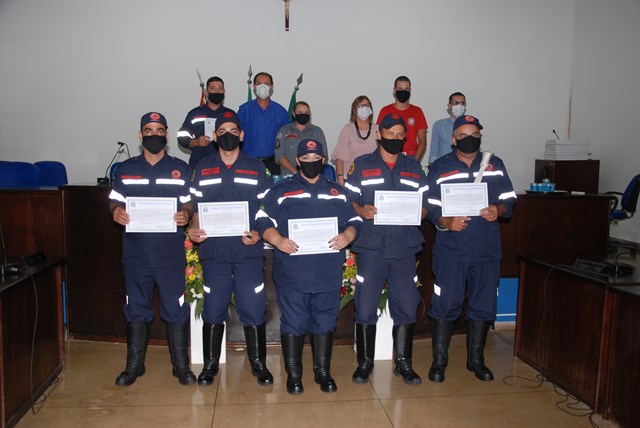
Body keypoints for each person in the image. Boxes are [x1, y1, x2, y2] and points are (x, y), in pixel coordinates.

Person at [256, 139, 361, 395]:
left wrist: (348, 235)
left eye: (316, 159)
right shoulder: (281, 190)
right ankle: (294, 374)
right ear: (298, 160)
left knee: (325, 321)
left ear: (323, 160)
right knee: (294, 321)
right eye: (306, 159)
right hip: (293, 270)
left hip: (327, 269)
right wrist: (277, 240)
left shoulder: (338, 191)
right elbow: (261, 219)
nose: (311, 163)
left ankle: (322, 371)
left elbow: (355, 219)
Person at [425, 115, 516, 383]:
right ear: (453, 139)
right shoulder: (440, 166)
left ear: (481, 136)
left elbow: (509, 197)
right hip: (451, 250)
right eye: (463, 135)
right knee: (445, 304)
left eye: (474, 135)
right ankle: (439, 361)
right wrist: (445, 220)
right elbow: (429, 203)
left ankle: (476, 360)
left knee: (483, 305)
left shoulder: (495, 164)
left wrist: (498, 209)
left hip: (485, 249)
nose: (469, 139)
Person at [109, 112, 196, 386]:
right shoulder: (125, 169)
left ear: (167, 135)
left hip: (170, 255)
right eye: (149, 130)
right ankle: (134, 365)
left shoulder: (180, 169)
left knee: (175, 309)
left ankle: (180, 365)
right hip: (137, 254)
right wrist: (116, 211)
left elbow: (189, 203)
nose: (154, 135)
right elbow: (114, 200)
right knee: (136, 308)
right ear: (140, 135)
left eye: (159, 130)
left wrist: (185, 214)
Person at [188, 111, 274, 387]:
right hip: (214, 252)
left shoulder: (256, 168)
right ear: (214, 136)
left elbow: (266, 209)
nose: (228, 135)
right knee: (213, 308)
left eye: (233, 130)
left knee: (254, 308)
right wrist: (194, 228)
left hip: (248, 251)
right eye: (222, 131)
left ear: (241, 135)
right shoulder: (202, 168)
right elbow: (196, 208)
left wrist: (258, 232)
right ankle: (210, 365)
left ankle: (258, 363)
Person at [344, 113, 429, 386]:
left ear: (405, 137)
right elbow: (348, 200)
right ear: (379, 135)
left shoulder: (413, 167)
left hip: (404, 247)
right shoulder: (361, 165)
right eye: (389, 133)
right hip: (372, 246)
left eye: (399, 134)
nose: (394, 138)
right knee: (365, 305)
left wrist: (416, 214)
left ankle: (403, 363)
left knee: (406, 304)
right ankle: (365, 363)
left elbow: (427, 204)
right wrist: (362, 210)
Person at [238, 72, 291, 176]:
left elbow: (288, 139)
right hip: (248, 163)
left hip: (273, 163)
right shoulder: (244, 110)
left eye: (266, 84)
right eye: (259, 84)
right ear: (254, 86)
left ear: (272, 86)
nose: (263, 87)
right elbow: (236, 135)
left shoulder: (281, 112)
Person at [177, 76, 236, 168]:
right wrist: (196, 142)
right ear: (206, 92)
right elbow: (182, 136)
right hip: (199, 164)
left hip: (226, 166)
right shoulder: (195, 114)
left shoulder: (231, 114)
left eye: (220, 89)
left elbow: (239, 138)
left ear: (224, 92)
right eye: (213, 88)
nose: (217, 92)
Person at [376, 76, 428, 161]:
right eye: (400, 89)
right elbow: (380, 138)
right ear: (394, 90)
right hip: (389, 158)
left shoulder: (417, 111)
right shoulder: (385, 111)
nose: (403, 92)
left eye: (406, 89)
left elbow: (423, 142)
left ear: (410, 90)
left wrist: (414, 162)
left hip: (411, 157)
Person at [331, 95, 379, 186]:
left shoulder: (377, 129)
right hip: (350, 178)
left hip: (372, 178)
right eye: (361, 106)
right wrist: (340, 179)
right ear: (354, 109)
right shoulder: (347, 129)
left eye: (367, 105)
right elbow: (340, 158)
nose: (364, 108)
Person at [275, 101, 327, 175]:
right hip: (289, 176)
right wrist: (296, 172)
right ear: (294, 114)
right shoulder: (284, 131)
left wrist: (310, 172)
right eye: (300, 112)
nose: (303, 115)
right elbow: (279, 156)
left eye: (306, 113)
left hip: (313, 176)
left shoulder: (317, 131)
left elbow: (324, 156)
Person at [428, 92, 467, 164]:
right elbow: (434, 152)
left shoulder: (470, 125)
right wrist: (433, 165)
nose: (459, 106)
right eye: (455, 103)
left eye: (462, 103)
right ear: (449, 106)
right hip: (444, 165)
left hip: (464, 165)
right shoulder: (439, 125)